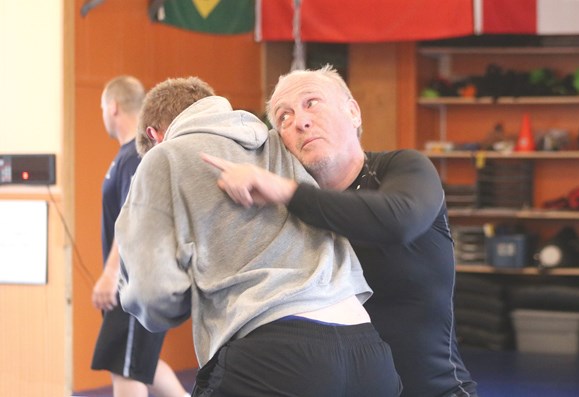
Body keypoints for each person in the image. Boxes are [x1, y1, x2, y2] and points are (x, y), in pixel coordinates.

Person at [115, 76, 401, 397]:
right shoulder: (280, 142)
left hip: (273, 354)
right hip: (368, 351)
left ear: (154, 136)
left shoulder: (163, 157)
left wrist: (158, 297)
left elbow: (153, 294)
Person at [204, 65, 478, 397]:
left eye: (312, 103)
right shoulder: (282, 210)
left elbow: (399, 221)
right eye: (283, 117)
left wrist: (287, 192)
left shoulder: (402, 168)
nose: (300, 121)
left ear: (353, 111)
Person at [91, 75, 189, 397]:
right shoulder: (127, 155)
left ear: (113, 107)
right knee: (140, 363)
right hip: (131, 280)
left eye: (102, 108)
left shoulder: (135, 155)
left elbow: (135, 217)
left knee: (126, 367)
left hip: (133, 282)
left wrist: (110, 274)